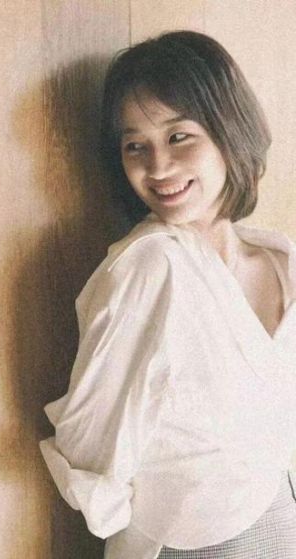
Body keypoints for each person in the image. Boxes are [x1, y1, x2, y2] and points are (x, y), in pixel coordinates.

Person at [40, 30, 296, 559]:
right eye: (135, 146)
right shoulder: (149, 266)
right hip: (193, 542)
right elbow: (87, 436)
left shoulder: (282, 260)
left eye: (179, 136)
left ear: (230, 131)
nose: (157, 168)